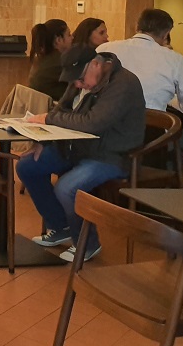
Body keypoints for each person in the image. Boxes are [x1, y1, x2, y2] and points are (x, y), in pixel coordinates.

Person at [17, 45, 145, 262]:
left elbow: (92, 123)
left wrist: (47, 119)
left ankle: (88, 244)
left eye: (80, 79)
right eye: (74, 80)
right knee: (28, 166)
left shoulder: (123, 84)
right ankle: (61, 226)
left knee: (67, 187)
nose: (77, 84)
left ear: (96, 64)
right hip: (77, 148)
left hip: (112, 156)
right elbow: (61, 109)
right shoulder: (83, 78)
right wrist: (43, 138)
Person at [98, 8, 183, 113]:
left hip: (101, 122)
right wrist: (170, 99)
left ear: (137, 26)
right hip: (151, 126)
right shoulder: (176, 60)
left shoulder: (104, 49)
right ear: (166, 34)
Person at [27, 18, 73, 100]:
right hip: (51, 108)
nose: (72, 38)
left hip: (37, 106)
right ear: (58, 40)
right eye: (69, 35)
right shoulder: (60, 62)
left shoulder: (40, 58)